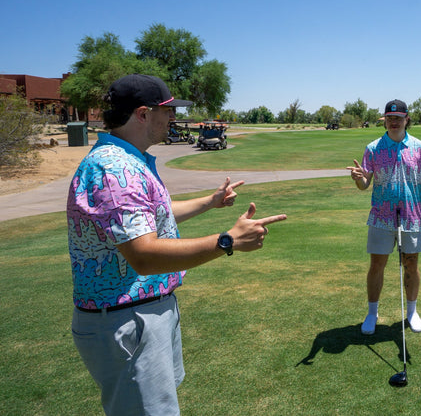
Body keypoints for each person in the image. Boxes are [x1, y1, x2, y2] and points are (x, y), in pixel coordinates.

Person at [67, 74, 287, 416]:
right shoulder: (114, 168)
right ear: (143, 114)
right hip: (128, 318)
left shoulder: (128, 159)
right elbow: (143, 255)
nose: (173, 117)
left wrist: (210, 202)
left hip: (144, 311)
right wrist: (228, 241)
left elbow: (150, 217)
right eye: (167, 110)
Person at [347, 99, 421, 335]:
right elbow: (365, 184)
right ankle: (372, 313)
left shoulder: (420, 148)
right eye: (390, 118)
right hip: (381, 217)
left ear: (407, 119)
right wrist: (358, 178)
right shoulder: (373, 148)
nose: (394, 122)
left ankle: (412, 312)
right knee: (377, 265)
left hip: (411, 217)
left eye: (398, 118)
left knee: (411, 265)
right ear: (385, 120)